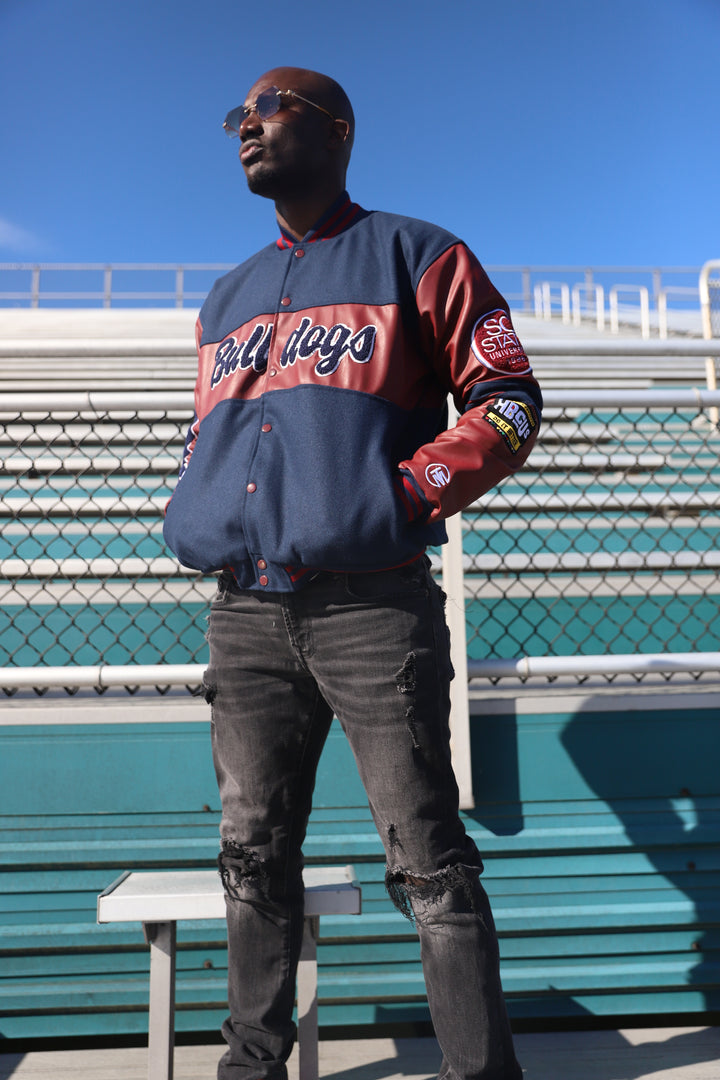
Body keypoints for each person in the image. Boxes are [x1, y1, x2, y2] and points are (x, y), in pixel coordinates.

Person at [163, 66, 541, 1080]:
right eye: (236, 116)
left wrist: (405, 495)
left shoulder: (420, 252)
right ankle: (252, 1064)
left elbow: (509, 399)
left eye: (271, 109)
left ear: (337, 131)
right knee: (249, 850)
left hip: (374, 607)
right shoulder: (227, 296)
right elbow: (215, 436)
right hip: (246, 611)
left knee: (428, 860)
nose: (247, 126)